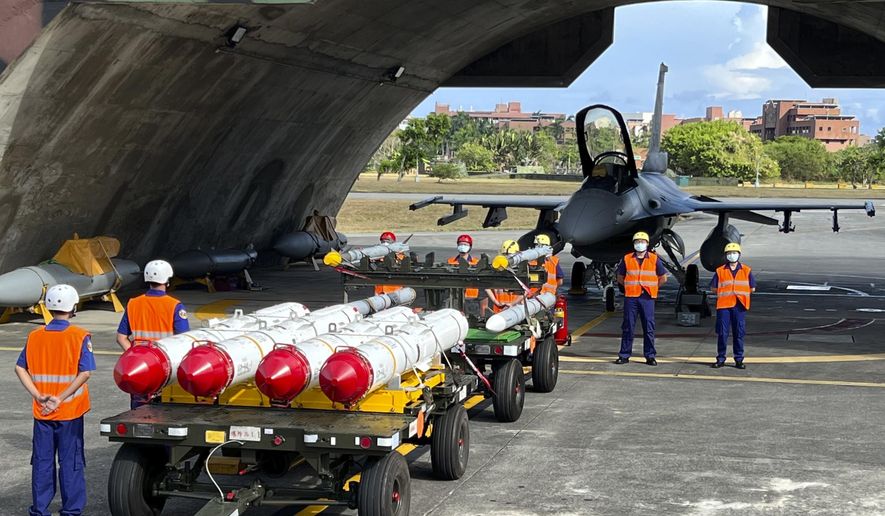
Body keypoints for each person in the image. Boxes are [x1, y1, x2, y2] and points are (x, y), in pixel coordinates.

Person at [15, 284, 94, 516]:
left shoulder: (34, 336)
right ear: (73, 306)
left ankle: (39, 510)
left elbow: (20, 368)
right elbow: (86, 372)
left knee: (42, 463)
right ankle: (71, 511)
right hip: (69, 413)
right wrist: (60, 398)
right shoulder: (79, 336)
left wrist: (38, 395)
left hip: (42, 412)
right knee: (70, 463)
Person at [116, 259, 189, 408]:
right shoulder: (174, 305)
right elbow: (184, 340)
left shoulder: (133, 303)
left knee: (139, 414)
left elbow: (121, 337)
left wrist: (135, 358)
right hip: (165, 369)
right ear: (168, 280)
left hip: (141, 370)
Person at [615, 231, 668, 366]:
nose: (640, 244)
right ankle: (624, 355)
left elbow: (663, 278)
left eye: (642, 242)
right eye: (637, 242)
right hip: (631, 297)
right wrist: (630, 286)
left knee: (649, 327)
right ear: (634, 244)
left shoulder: (654, 259)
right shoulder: (627, 258)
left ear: (647, 244)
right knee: (628, 326)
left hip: (647, 297)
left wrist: (652, 287)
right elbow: (620, 277)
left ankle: (650, 355)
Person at [711, 243, 756, 369]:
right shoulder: (720, 271)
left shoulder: (746, 270)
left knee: (739, 333)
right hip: (724, 306)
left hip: (739, 306)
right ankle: (720, 358)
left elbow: (752, 288)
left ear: (739, 254)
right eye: (730, 253)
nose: (732, 255)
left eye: (734, 253)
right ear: (726, 256)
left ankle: (739, 359)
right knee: (722, 333)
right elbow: (714, 288)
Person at [488, 240, 524, 313]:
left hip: (517, 310)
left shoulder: (522, 271)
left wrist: (512, 304)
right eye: (505, 254)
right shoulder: (496, 269)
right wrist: (497, 302)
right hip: (499, 310)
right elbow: (487, 287)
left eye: (510, 255)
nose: (507, 258)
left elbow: (525, 291)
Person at [448, 234, 481, 301]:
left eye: (465, 245)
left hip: (471, 297)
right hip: (454, 297)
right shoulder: (450, 261)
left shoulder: (476, 262)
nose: (463, 246)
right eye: (461, 244)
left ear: (470, 247)